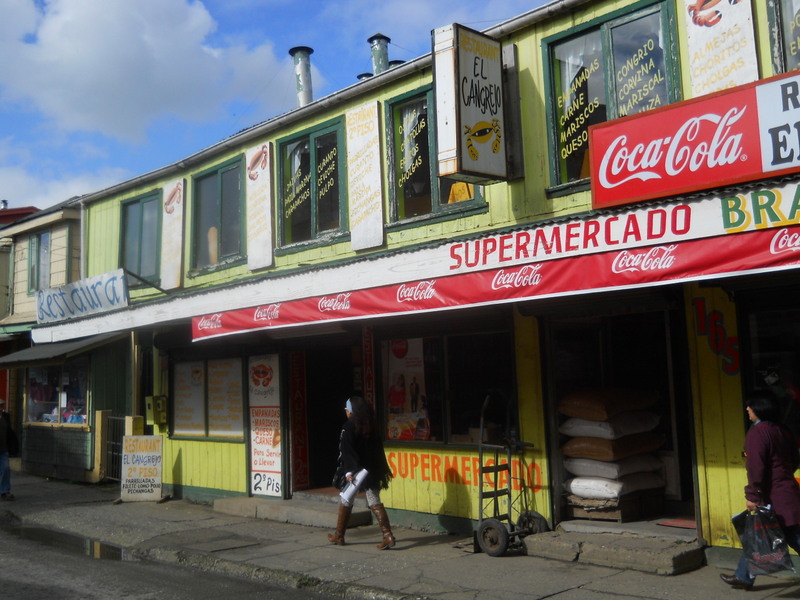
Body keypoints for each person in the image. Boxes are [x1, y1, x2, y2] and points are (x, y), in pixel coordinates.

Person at [720, 390, 800, 590]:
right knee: (758, 535)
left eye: (750, 406)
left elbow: (756, 468)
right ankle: (743, 576)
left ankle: (743, 576)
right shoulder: (783, 430)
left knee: (792, 536)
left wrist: (752, 496)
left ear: (760, 408)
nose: (747, 409)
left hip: (773, 496)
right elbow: (794, 460)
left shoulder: (758, 433)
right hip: (787, 491)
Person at [328, 396, 395, 549]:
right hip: (372, 470)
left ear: (351, 411)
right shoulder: (371, 425)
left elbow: (347, 451)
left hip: (357, 472)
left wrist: (349, 471)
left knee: (347, 499)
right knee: (374, 500)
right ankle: (387, 535)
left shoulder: (349, 427)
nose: (345, 411)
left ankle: (339, 535)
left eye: (347, 409)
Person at [0, 399, 16, 500]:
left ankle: (5, 491)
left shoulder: (5, 416)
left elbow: (9, 432)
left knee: (5, 468)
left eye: (1, 406)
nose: (1, 408)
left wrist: (12, 446)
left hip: (3, 449)